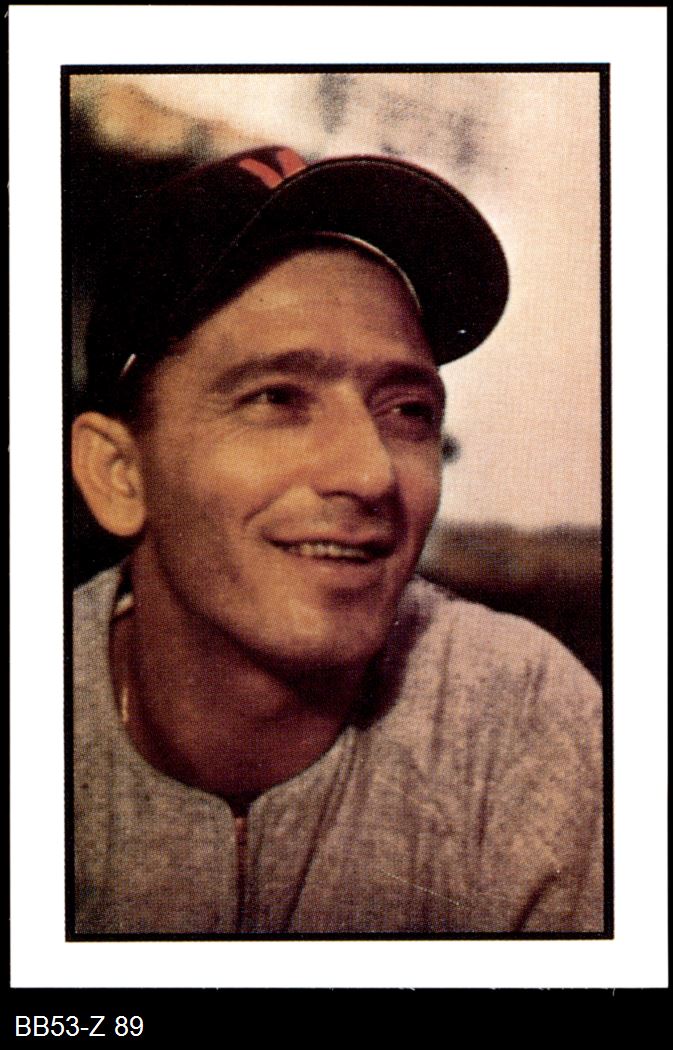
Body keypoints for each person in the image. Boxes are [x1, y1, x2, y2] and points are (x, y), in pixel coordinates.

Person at [71, 145, 603, 935]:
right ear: (118, 473)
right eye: (276, 398)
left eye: (408, 412)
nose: (369, 473)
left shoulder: (519, 714)